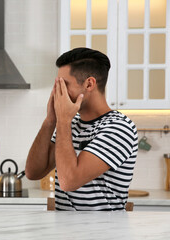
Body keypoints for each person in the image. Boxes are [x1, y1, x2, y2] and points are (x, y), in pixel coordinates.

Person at [25, 48, 138, 211]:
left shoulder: (119, 128)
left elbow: (69, 181)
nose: (58, 91)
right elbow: (33, 172)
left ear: (89, 84)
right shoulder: (70, 123)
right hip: (66, 232)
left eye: (64, 84)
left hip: (103, 232)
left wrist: (63, 120)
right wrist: (50, 120)